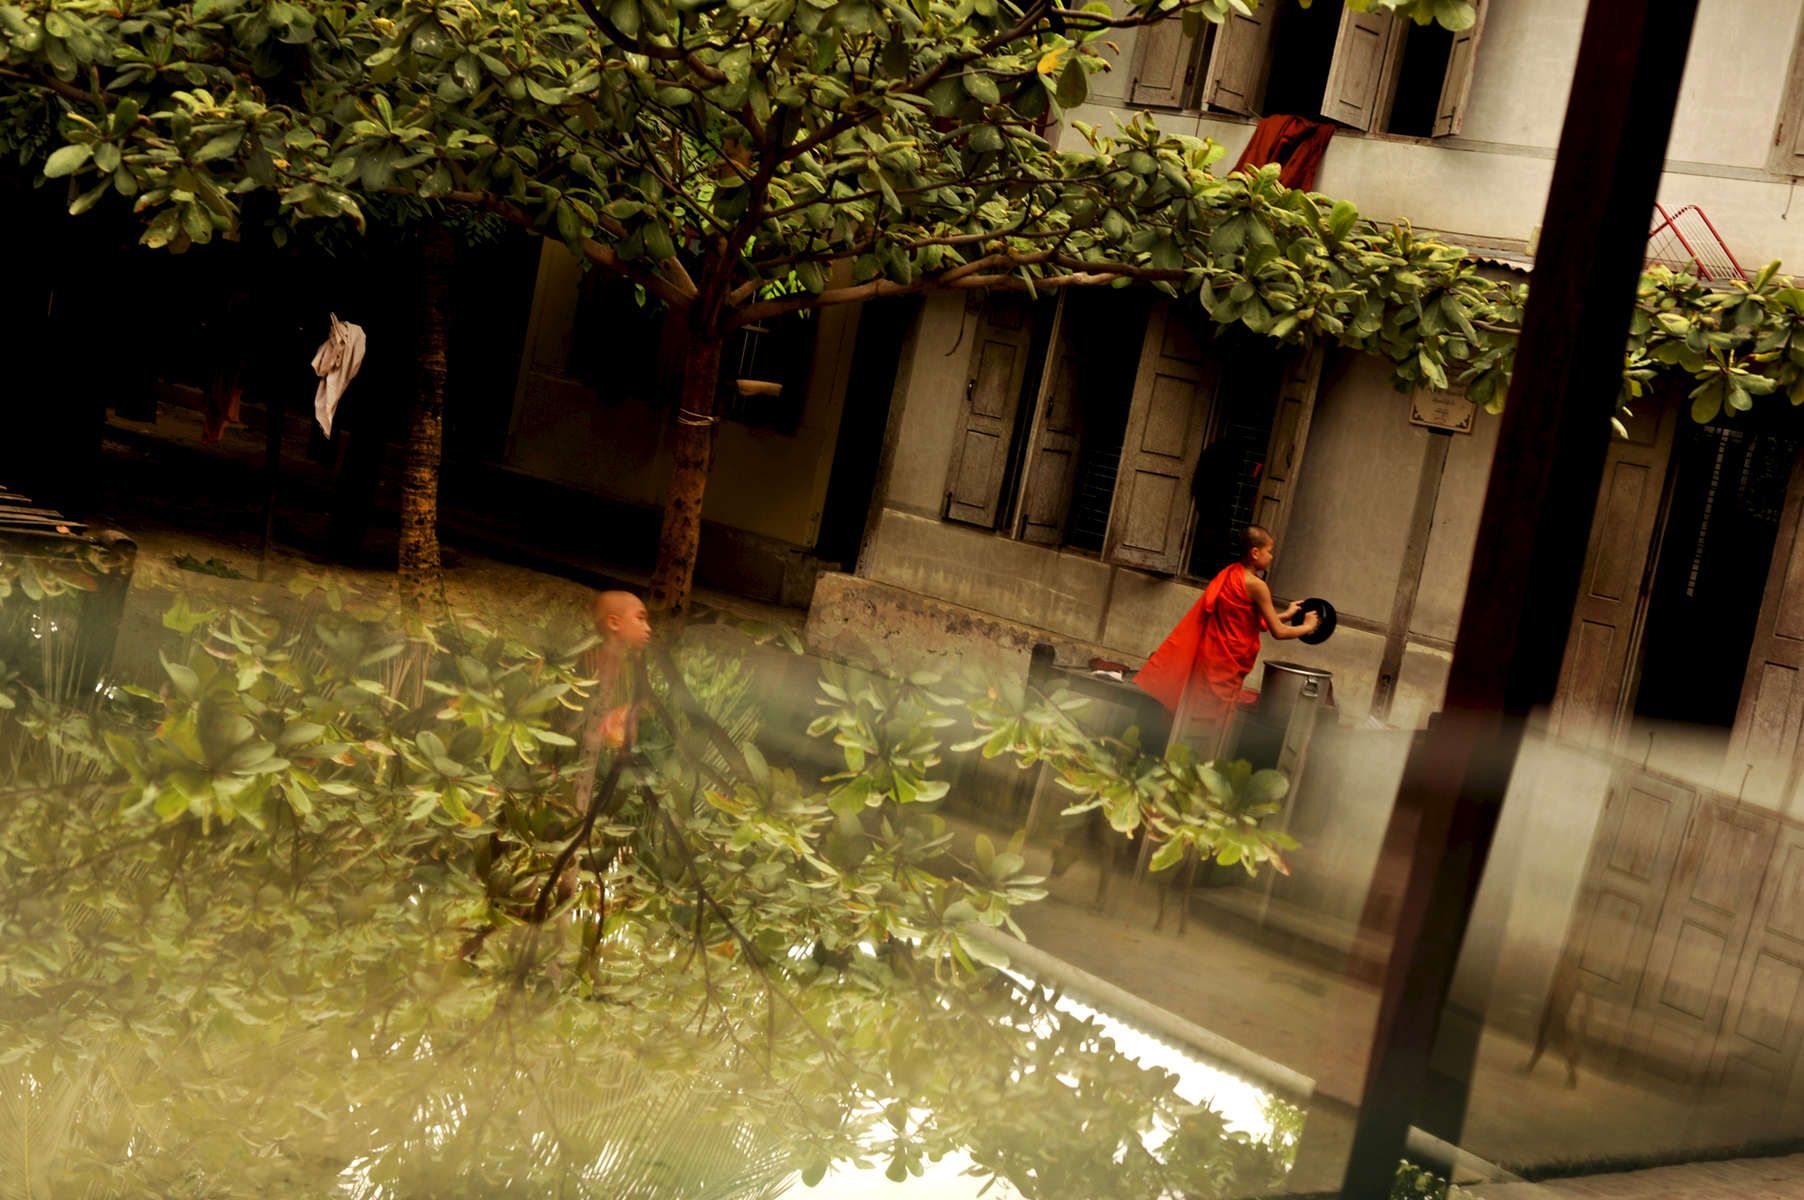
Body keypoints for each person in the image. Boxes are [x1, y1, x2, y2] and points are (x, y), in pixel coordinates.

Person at [1134, 525, 1319, 727]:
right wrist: (1308, 626)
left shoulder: (1231, 574)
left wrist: (1286, 615)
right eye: (1269, 551)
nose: (1271, 557)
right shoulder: (1257, 585)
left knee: (1194, 715)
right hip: (1226, 665)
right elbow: (1279, 632)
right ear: (1255, 552)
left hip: (1211, 657)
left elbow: (1246, 620)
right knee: (1212, 723)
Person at [590, 590, 653, 750]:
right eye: (640, 618)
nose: (648, 628)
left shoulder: (632, 663)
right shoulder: (588, 662)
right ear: (614, 623)